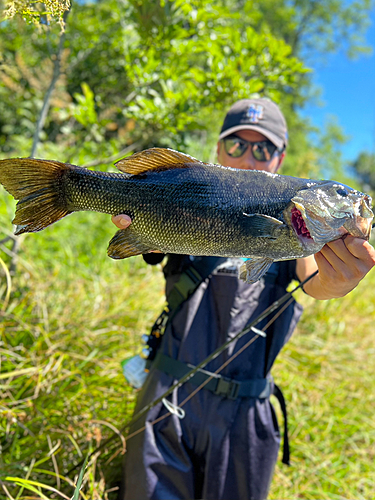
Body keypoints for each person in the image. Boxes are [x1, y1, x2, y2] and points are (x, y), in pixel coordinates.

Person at [113, 98, 375, 500]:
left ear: (280, 158)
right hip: (165, 401)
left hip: (246, 415)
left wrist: (339, 280)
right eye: (237, 145)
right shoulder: (188, 194)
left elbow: (316, 282)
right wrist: (137, 218)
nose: (250, 157)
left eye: (263, 148)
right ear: (218, 149)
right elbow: (147, 245)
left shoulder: (299, 233)